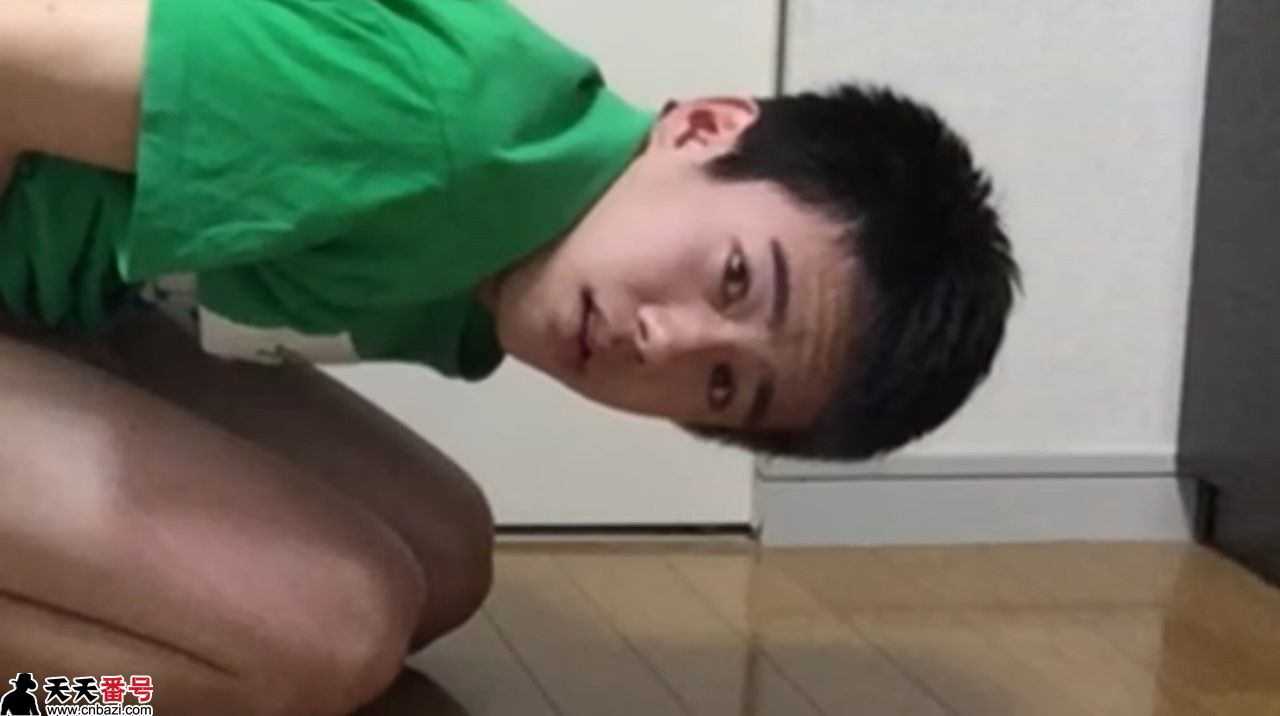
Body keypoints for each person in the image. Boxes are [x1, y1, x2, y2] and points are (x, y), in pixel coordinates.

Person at [0, 0, 1019, 713]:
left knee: (442, 561)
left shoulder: (512, 252)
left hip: (62, 282)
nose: (664, 342)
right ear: (705, 128)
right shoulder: (423, 120)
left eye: (723, 384)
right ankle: (44, 698)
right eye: (735, 279)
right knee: (324, 640)